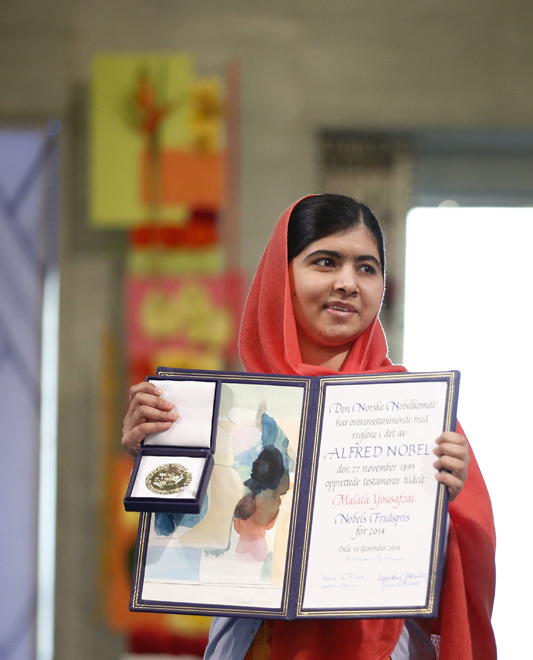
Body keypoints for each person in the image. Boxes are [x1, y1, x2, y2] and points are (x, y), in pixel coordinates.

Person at [122, 194, 496, 660]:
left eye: (366, 268)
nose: (347, 283)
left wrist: (444, 503)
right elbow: (191, 537)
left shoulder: (416, 412)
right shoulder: (228, 410)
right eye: (325, 262)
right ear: (284, 277)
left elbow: (453, 562)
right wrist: (156, 453)